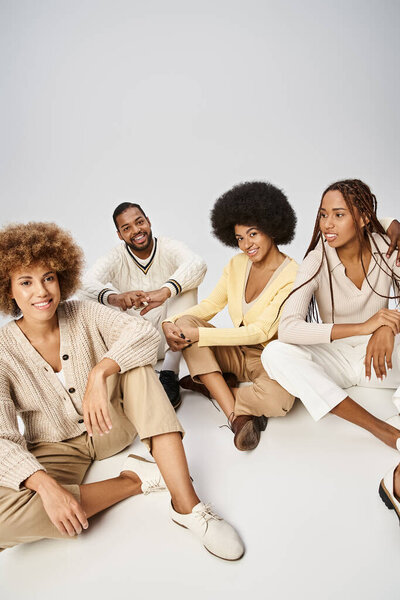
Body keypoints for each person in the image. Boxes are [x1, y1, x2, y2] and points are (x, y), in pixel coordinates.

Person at [0, 222, 243, 560]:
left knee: (136, 365)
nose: (41, 291)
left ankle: (187, 506)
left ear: (61, 279)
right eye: (26, 282)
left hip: (109, 425)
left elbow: (142, 333)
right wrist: (45, 486)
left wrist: (101, 372)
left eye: (49, 278)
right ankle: (136, 479)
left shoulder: (82, 313)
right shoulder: (2, 351)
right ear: (8, 290)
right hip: (54, 448)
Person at [260, 179, 400, 524]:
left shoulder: (388, 249)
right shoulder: (315, 260)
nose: (327, 224)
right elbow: (288, 326)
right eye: (323, 214)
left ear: (363, 218)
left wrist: (386, 327)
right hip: (335, 357)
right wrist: (365, 326)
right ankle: (383, 430)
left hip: (379, 358)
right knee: (275, 353)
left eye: (339, 215)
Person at [162, 181, 298, 451]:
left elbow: (261, 331)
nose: (246, 245)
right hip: (235, 349)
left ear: (272, 228)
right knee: (185, 323)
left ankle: (211, 386)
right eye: (239, 238)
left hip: (268, 355)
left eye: (253, 234)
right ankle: (236, 418)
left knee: (281, 401)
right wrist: (171, 322)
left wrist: (200, 334)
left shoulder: (293, 274)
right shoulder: (237, 264)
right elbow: (211, 305)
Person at [80, 202, 207, 409]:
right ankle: (126, 373)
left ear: (148, 222)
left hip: (170, 336)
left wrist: (165, 291)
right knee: (90, 302)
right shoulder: (116, 256)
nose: (136, 230)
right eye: (126, 228)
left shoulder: (167, 246)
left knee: (187, 287)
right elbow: (82, 285)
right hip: (135, 339)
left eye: (139, 222)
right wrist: (116, 297)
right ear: (120, 235)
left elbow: (197, 264)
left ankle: (169, 372)